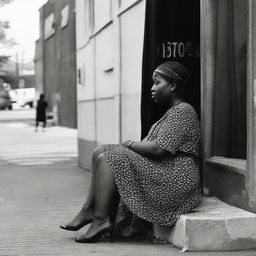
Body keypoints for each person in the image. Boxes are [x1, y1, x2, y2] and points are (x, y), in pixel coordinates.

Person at [60, 61, 202, 243]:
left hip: (177, 179)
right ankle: (89, 209)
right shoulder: (173, 112)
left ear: (173, 86)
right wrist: (128, 146)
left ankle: (100, 220)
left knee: (111, 155)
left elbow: (159, 149)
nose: (152, 88)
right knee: (101, 151)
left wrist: (130, 144)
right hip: (166, 171)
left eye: (157, 83)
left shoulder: (184, 111)